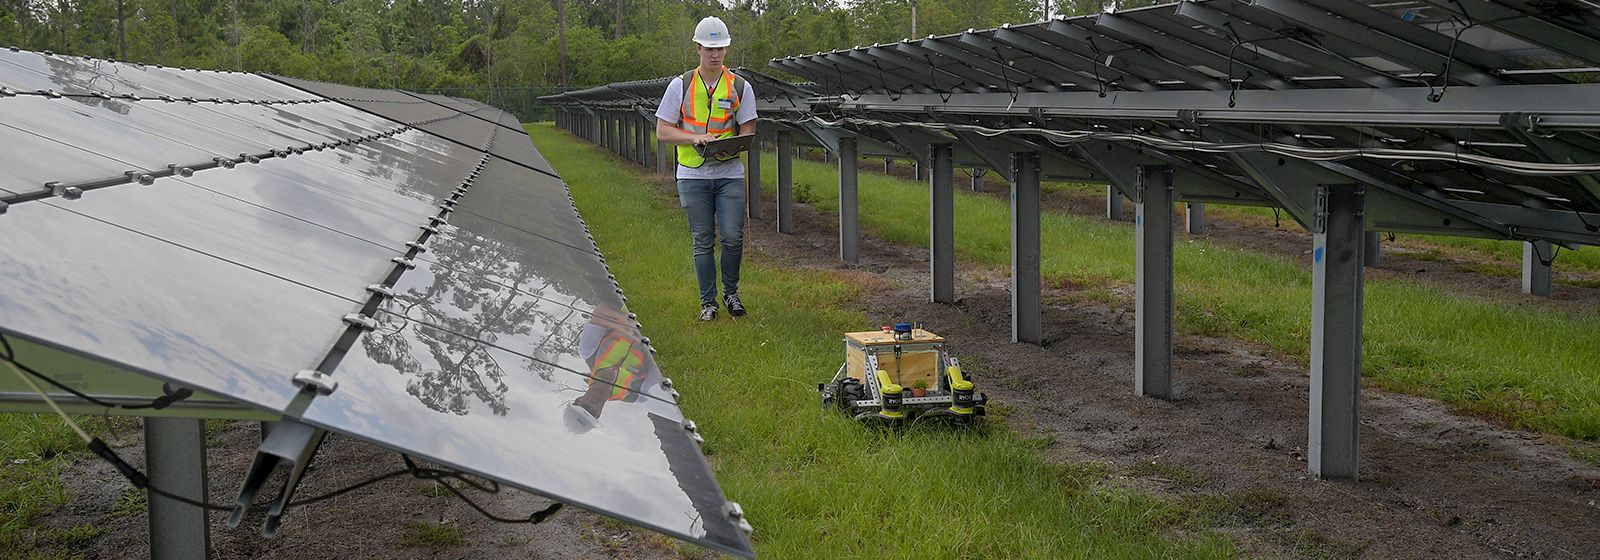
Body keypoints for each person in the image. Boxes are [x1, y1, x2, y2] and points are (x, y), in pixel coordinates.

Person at [655, 15, 758, 322]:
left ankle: (731, 293)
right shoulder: (681, 85)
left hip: (729, 174)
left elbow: (748, 130)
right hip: (692, 173)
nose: (715, 54)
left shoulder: (740, 86)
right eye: (709, 48)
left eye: (721, 48)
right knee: (703, 238)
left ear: (726, 50)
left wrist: (731, 144)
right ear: (697, 48)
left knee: (732, 237)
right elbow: (663, 131)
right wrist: (694, 137)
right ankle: (707, 303)